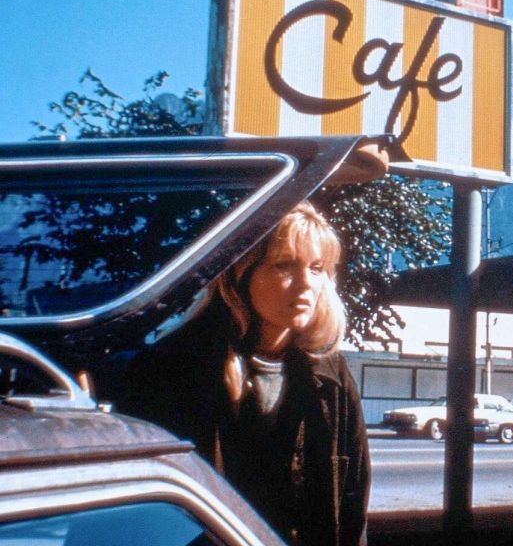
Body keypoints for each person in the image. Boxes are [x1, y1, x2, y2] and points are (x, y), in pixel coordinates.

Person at [122, 201, 370, 546]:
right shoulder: (175, 366)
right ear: (239, 272)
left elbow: (352, 499)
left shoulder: (330, 371)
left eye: (317, 268)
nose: (306, 284)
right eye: (285, 265)